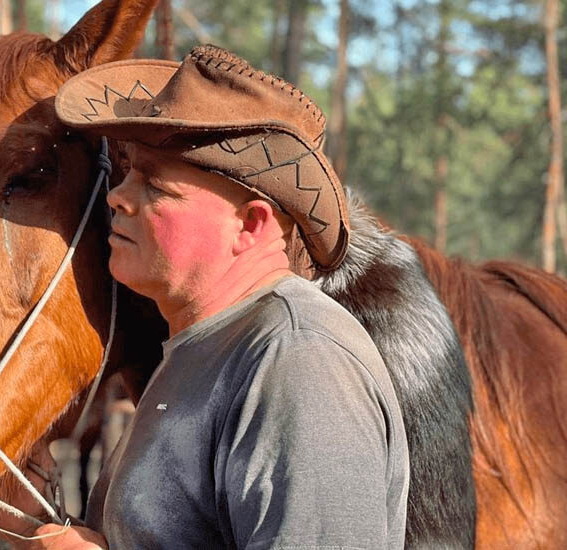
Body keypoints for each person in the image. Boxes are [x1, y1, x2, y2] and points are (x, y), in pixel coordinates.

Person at [21, 45, 409, 549]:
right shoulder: (203, 349)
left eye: (155, 185)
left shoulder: (299, 359)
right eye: (129, 171)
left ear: (249, 225)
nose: (119, 195)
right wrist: (39, 516)